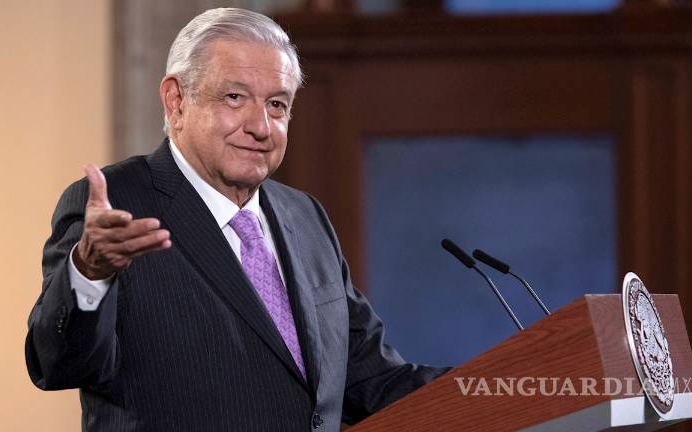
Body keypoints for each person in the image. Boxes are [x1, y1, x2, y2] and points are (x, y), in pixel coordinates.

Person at [25, 8, 448, 431]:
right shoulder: (120, 205)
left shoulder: (306, 216)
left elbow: (371, 380)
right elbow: (59, 365)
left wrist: (487, 385)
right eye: (234, 98)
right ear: (176, 100)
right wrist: (89, 273)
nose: (261, 127)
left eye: (277, 105)